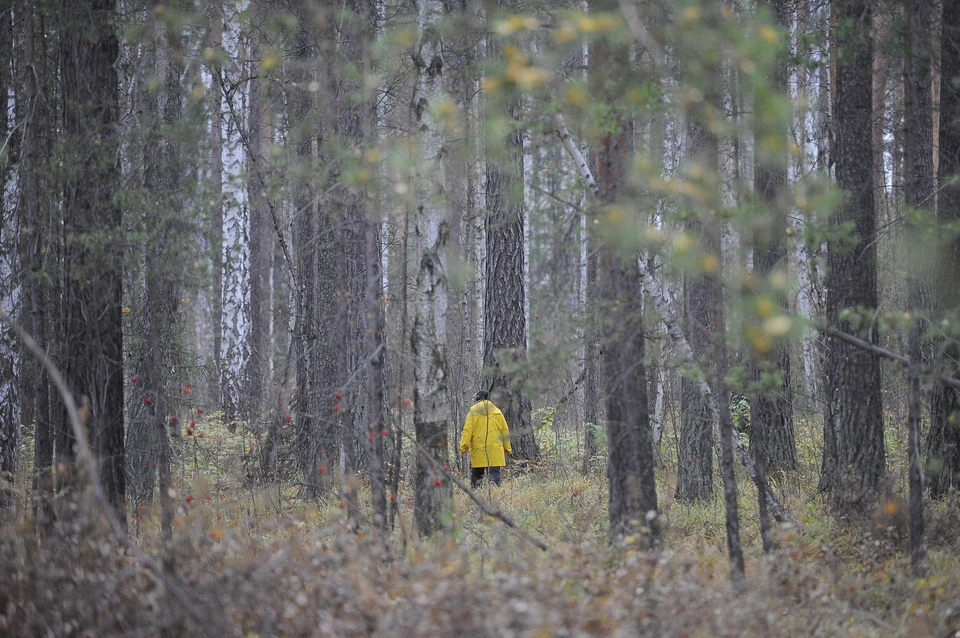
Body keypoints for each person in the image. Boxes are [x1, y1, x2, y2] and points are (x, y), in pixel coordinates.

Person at [459, 390, 511, 488]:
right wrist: (507, 448)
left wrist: (464, 446)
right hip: (495, 448)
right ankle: (495, 494)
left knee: (477, 474)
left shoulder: (473, 411)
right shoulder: (497, 411)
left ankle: (476, 495)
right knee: (494, 473)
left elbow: (467, 430)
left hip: (479, 447)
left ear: (477, 400)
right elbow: (505, 430)